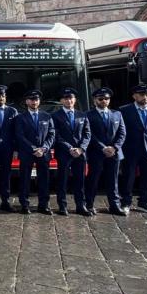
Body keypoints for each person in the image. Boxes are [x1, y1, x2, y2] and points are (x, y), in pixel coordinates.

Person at [120, 84, 147, 215]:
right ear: (134, 96)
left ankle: (144, 202)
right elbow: (121, 130)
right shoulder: (124, 110)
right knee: (128, 177)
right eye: (142, 95)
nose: (145, 97)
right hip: (131, 149)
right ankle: (126, 202)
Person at [85, 87, 128, 216]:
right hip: (96, 153)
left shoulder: (117, 114)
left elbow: (122, 133)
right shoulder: (88, 115)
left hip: (114, 153)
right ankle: (89, 204)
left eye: (107, 98)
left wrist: (114, 147)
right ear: (95, 100)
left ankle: (115, 206)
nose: (104, 101)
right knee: (93, 179)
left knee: (113, 180)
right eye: (101, 99)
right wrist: (103, 147)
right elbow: (89, 134)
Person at [12, 89, 55, 215]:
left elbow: (52, 135)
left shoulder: (47, 116)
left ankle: (44, 205)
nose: (34, 102)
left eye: (36, 99)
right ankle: (24, 204)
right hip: (27, 153)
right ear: (26, 102)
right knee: (25, 179)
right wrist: (33, 148)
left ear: (39, 101)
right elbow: (19, 135)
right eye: (31, 99)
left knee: (44, 179)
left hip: (44, 153)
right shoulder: (20, 118)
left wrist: (44, 148)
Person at [51, 88, 92, 216]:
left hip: (80, 153)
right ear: (61, 101)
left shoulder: (82, 115)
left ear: (75, 100)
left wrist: (81, 148)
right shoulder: (55, 116)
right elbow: (56, 135)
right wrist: (69, 148)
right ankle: (62, 206)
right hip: (64, 152)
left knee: (80, 180)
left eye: (71, 98)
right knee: (62, 180)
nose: (69, 100)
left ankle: (81, 205)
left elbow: (87, 134)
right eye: (66, 98)